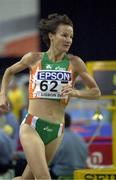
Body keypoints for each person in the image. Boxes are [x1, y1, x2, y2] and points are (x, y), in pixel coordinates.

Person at [0, 13, 101, 180]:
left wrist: (76, 92)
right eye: (64, 35)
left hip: (57, 130)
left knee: (27, 179)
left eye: (71, 36)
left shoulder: (75, 62)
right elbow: (9, 71)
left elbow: (95, 92)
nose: (69, 40)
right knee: (44, 177)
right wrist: (2, 95)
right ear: (51, 36)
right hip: (32, 126)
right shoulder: (34, 58)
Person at [49, 113, 88, 180]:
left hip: (61, 174)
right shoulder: (80, 138)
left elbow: (49, 160)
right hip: (80, 174)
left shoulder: (57, 138)